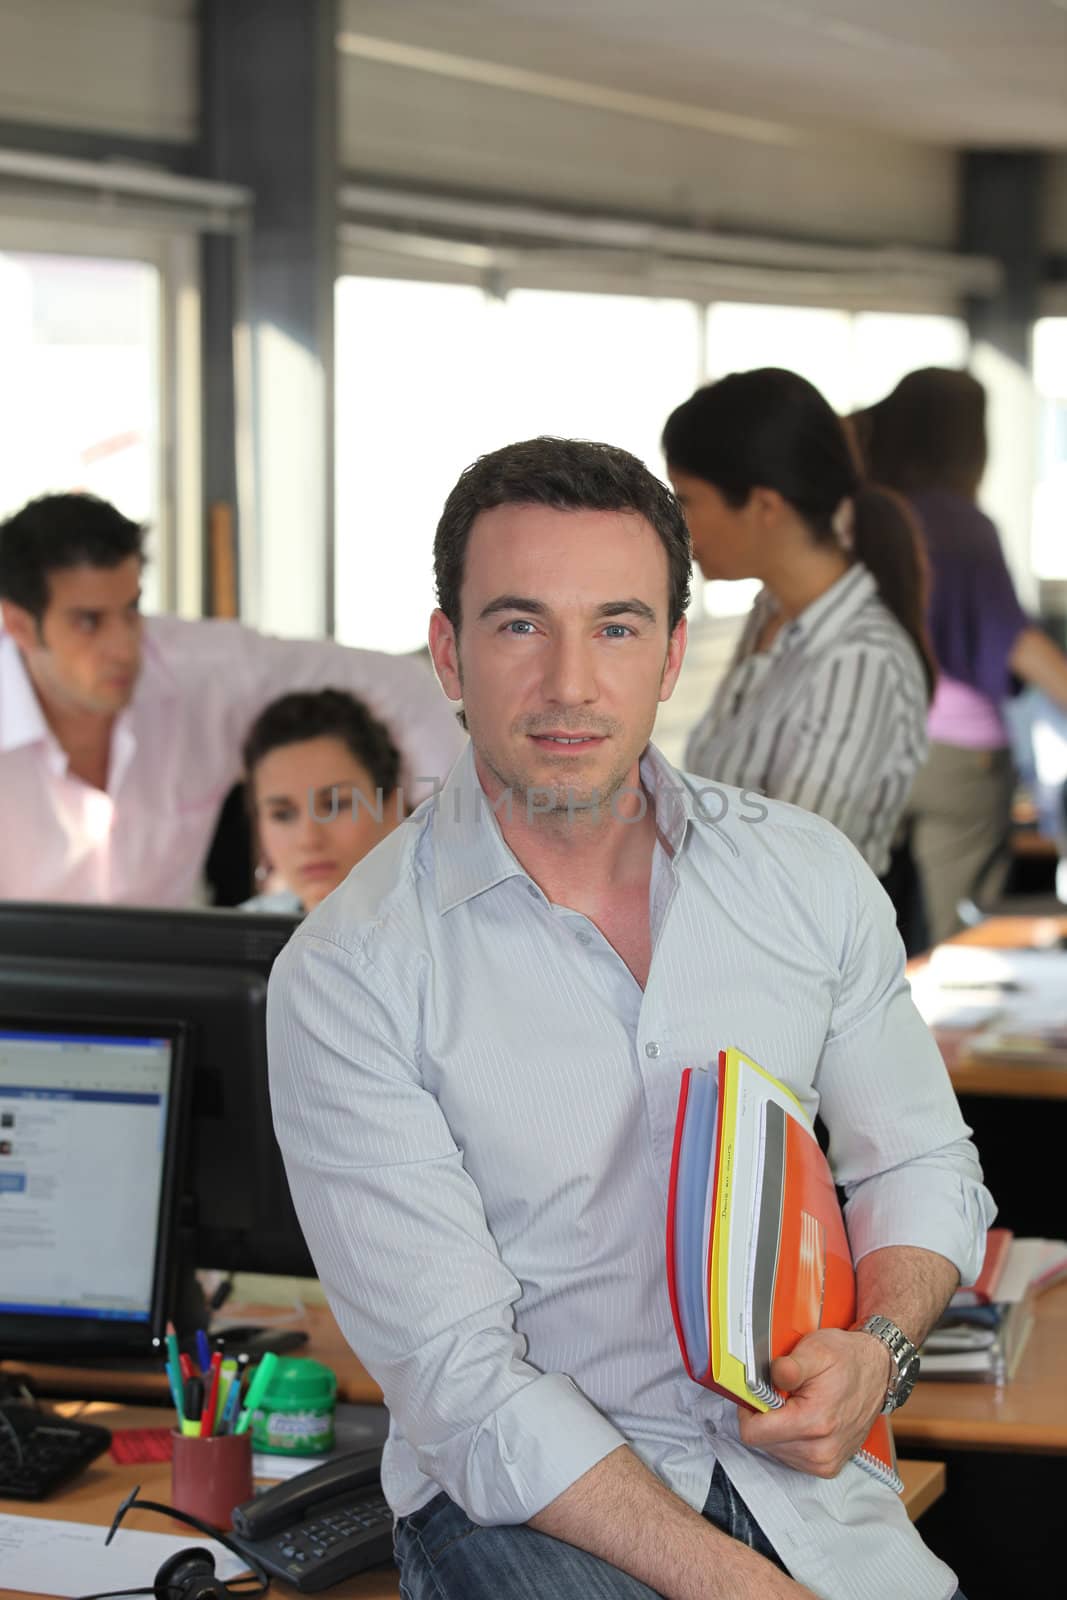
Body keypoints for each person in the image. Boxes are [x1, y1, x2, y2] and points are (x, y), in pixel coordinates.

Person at [267, 436, 988, 1600]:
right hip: (529, 1510)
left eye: (614, 625)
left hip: (817, 1501)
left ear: (669, 654)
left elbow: (915, 1157)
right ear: (447, 654)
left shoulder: (804, 877)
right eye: (517, 625)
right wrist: (742, 1588)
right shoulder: (348, 974)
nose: (567, 681)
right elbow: (462, 1383)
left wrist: (881, 1352)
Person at [0, 492, 465, 905]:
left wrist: (432, 870)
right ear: (19, 626)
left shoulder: (207, 671)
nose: (124, 646)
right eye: (88, 622)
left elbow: (404, 686)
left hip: (172, 979)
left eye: (130, 610)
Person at [662, 368, 934, 880]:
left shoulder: (857, 660)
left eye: (687, 500)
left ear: (764, 505)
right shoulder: (771, 615)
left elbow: (796, 873)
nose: (678, 525)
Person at [855, 367, 1067, 944]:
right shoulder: (964, 525)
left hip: (871, 747)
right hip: (960, 758)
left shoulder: (867, 516)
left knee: (866, 929)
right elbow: (1015, 641)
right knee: (966, 943)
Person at [240, 687, 401, 915]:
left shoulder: (446, 932)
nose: (309, 839)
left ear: (391, 808)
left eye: (336, 805)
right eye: (282, 815)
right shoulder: (229, 939)